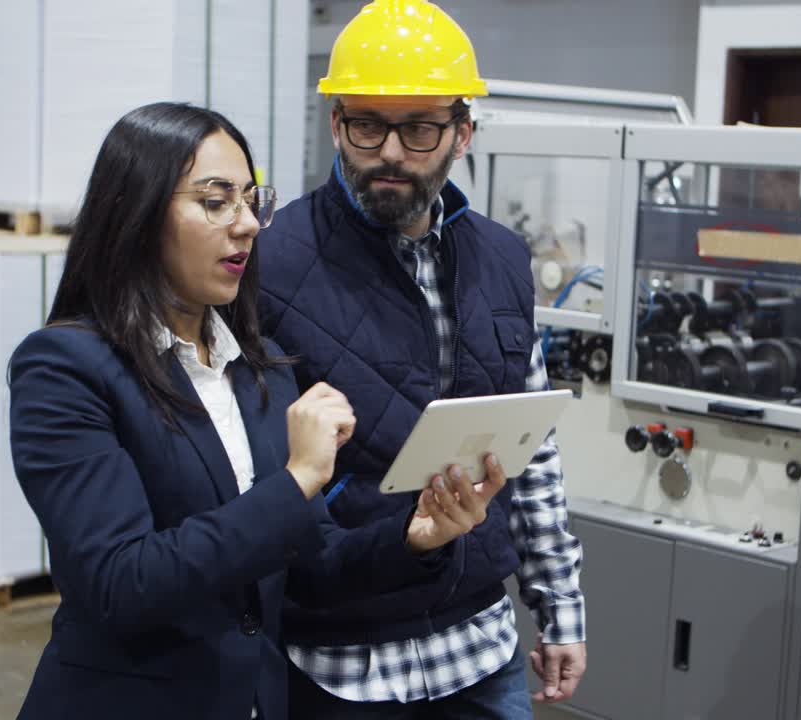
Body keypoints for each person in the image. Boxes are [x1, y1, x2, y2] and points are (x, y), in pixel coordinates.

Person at [8, 102, 508, 720]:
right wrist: (298, 480)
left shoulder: (258, 364)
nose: (246, 225)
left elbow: (311, 561)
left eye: (251, 201)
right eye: (216, 202)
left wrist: (413, 537)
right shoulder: (66, 368)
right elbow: (121, 583)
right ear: (135, 215)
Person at [257, 1, 588, 717]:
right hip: (338, 660)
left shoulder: (500, 259)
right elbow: (253, 476)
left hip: (480, 648)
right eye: (367, 124)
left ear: (463, 131)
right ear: (337, 123)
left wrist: (560, 602)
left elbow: (531, 454)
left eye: (420, 127)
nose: (391, 153)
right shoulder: (271, 264)